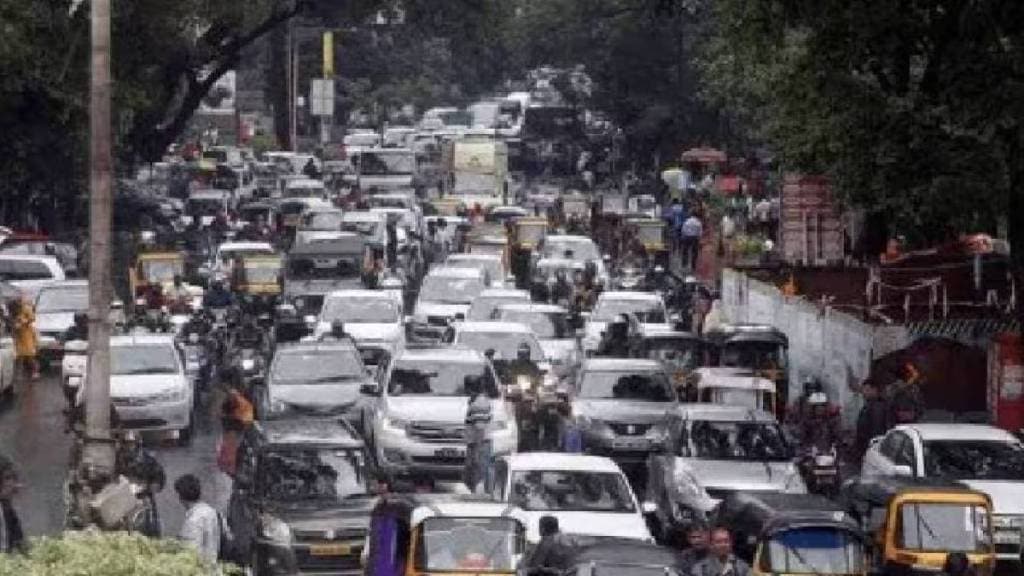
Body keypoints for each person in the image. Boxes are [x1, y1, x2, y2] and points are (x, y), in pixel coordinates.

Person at [174, 474, 220, 565]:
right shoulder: (211, 511)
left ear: (181, 497)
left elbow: (190, 552)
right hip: (212, 564)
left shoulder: (193, 520)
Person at [463, 375, 493, 493]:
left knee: (477, 474)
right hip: (477, 443)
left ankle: (480, 497)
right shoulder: (477, 401)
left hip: (479, 443)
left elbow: (480, 428)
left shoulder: (478, 404)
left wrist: (477, 450)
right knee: (473, 474)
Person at [855, 381, 889, 463]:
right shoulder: (868, 406)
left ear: (874, 390)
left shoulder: (877, 407)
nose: (864, 393)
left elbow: (876, 430)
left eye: (867, 390)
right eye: (863, 390)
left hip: (873, 449)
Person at [0, 456, 24, 554]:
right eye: (8, 478)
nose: (14, 484)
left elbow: (19, 543)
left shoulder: (8, 510)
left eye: (14, 478)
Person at [11, 299, 39, 381]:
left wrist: (24, 322)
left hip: (27, 334)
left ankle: (35, 372)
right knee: (19, 356)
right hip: (18, 335)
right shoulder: (12, 312)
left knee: (30, 356)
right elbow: (12, 322)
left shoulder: (26, 309)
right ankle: (19, 374)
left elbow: (33, 318)